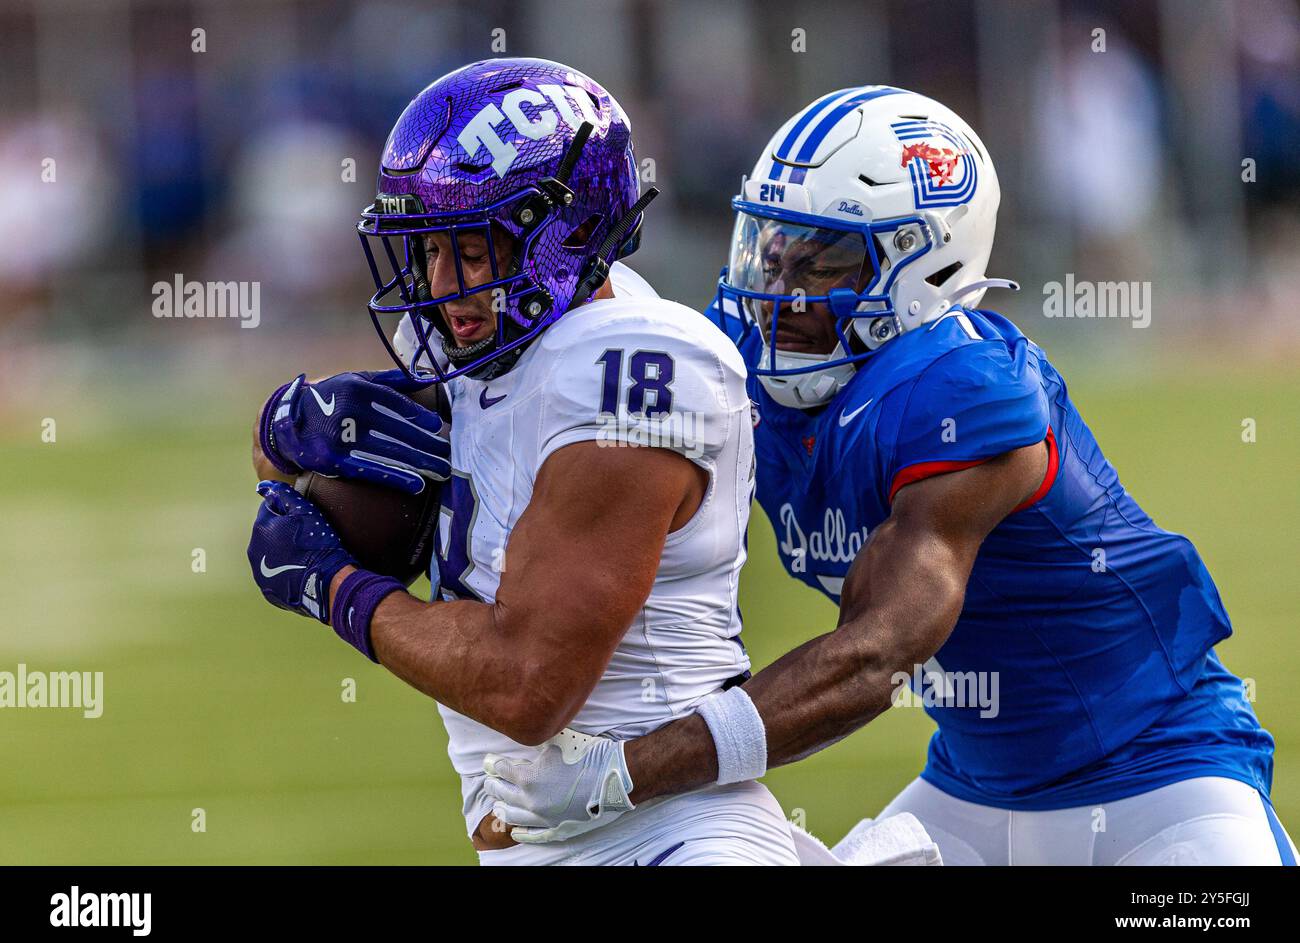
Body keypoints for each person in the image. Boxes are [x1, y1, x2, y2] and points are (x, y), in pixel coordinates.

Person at [482, 86, 1296, 866]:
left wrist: (627, 773)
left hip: (1159, 780)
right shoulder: (739, 360)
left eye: (821, 262)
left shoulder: (961, 387)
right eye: (771, 248)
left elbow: (876, 656)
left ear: (925, 269)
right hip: (970, 791)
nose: (778, 293)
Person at [245, 57, 798, 866]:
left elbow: (526, 684)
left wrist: (333, 588)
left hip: (670, 836)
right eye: (427, 248)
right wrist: (288, 429)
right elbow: (313, 453)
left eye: (470, 248)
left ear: (561, 238)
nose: (440, 284)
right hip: (543, 845)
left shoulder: (635, 370)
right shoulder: (494, 332)